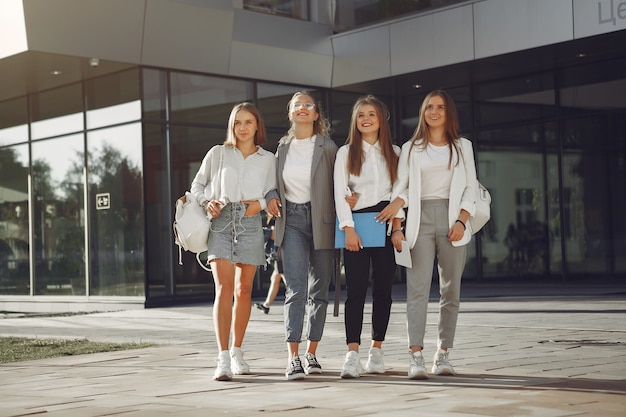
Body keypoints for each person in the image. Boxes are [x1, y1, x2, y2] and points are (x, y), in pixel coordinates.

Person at [378, 90, 478, 379]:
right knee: (417, 289)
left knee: (451, 290)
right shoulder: (411, 148)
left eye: (440, 107)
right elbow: (401, 189)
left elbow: (470, 187)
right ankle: (416, 356)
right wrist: (396, 226)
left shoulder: (463, 147)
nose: (434, 112)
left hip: (453, 220)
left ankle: (443, 354)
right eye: (429, 107)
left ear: (449, 113)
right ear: (423, 113)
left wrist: (461, 220)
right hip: (419, 221)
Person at [191, 102, 277, 381]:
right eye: (237, 122)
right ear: (232, 126)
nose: (242, 127)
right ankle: (223, 357)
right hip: (221, 220)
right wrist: (206, 203)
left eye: (248, 122)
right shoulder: (218, 153)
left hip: (251, 220)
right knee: (224, 288)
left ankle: (238, 351)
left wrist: (261, 204)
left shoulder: (268, 158)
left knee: (244, 290)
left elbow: (275, 192)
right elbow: (197, 186)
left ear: (257, 126)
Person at [266, 91, 337, 380]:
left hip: (323, 220)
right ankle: (292, 357)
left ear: (316, 114)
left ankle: (311, 353)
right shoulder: (282, 148)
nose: (304, 109)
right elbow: (269, 183)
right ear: (290, 113)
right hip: (290, 219)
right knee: (296, 288)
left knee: (319, 290)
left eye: (309, 105)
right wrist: (270, 195)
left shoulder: (328, 147)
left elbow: (343, 179)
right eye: (298, 105)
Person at [333, 95, 404, 378]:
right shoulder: (345, 152)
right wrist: (348, 227)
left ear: (381, 119)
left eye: (371, 114)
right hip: (357, 225)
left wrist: (397, 225)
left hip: (385, 224)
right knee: (356, 290)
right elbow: (339, 191)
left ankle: (377, 350)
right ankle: (352, 353)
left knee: (384, 289)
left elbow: (402, 192)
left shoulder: (395, 152)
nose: (366, 118)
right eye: (361, 114)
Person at [255, 214, 285, 314]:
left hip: (280, 254)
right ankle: (266, 305)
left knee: (286, 280)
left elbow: (275, 235)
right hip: (279, 254)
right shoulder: (276, 217)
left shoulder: (277, 217)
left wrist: (265, 233)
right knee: (276, 278)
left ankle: (299, 300)